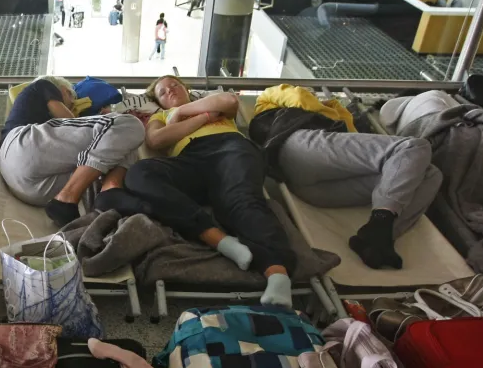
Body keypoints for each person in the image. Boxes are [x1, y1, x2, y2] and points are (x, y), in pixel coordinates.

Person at [124, 75, 296, 307]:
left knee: (240, 201)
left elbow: (228, 101)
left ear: (186, 89)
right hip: (190, 161)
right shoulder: (161, 116)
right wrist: (204, 117)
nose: (171, 91)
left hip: (230, 148)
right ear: (159, 103)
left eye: (175, 85)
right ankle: (219, 239)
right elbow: (156, 139)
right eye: (163, 92)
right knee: (139, 174)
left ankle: (277, 274)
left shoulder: (208, 100)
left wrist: (183, 114)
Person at [249, 84, 443, 269]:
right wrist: (329, 109)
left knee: (429, 174)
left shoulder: (340, 118)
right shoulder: (268, 99)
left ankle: (378, 239)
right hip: (297, 146)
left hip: (313, 190)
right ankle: (381, 221)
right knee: (414, 146)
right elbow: (299, 97)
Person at [0, 75, 145, 227]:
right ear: (61, 88)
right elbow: (67, 118)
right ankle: (73, 196)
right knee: (129, 123)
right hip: (20, 144)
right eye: (70, 95)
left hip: (29, 190)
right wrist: (107, 118)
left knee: (123, 144)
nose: (73, 101)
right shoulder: (43, 85)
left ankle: (110, 192)